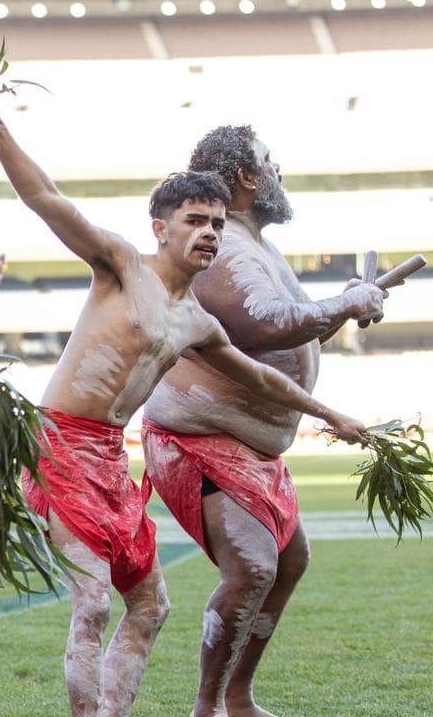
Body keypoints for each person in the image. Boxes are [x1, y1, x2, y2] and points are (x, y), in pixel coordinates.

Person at [0, 114, 367, 717]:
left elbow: (261, 375)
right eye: (195, 221)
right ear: (160, 228)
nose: (210, 233)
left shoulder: (195, 322)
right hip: (59, 443)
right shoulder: (121, 266)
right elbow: (44, 197)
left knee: (152, 607)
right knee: (94, 603)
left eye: (216, 222)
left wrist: (331, 415)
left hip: (109, 454)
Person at [141, 125, 386, 717]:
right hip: (200, 437)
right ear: (248, 177)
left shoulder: (255, 245)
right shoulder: (222, 246)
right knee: (252, 566)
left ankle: (238, 694)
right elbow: (264, 323)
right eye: (270, 163)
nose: (280, 173)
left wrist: (350, 300)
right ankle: (209, 707)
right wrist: (344, 305)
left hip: (249, 442)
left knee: (288, 561)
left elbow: (296, 322)